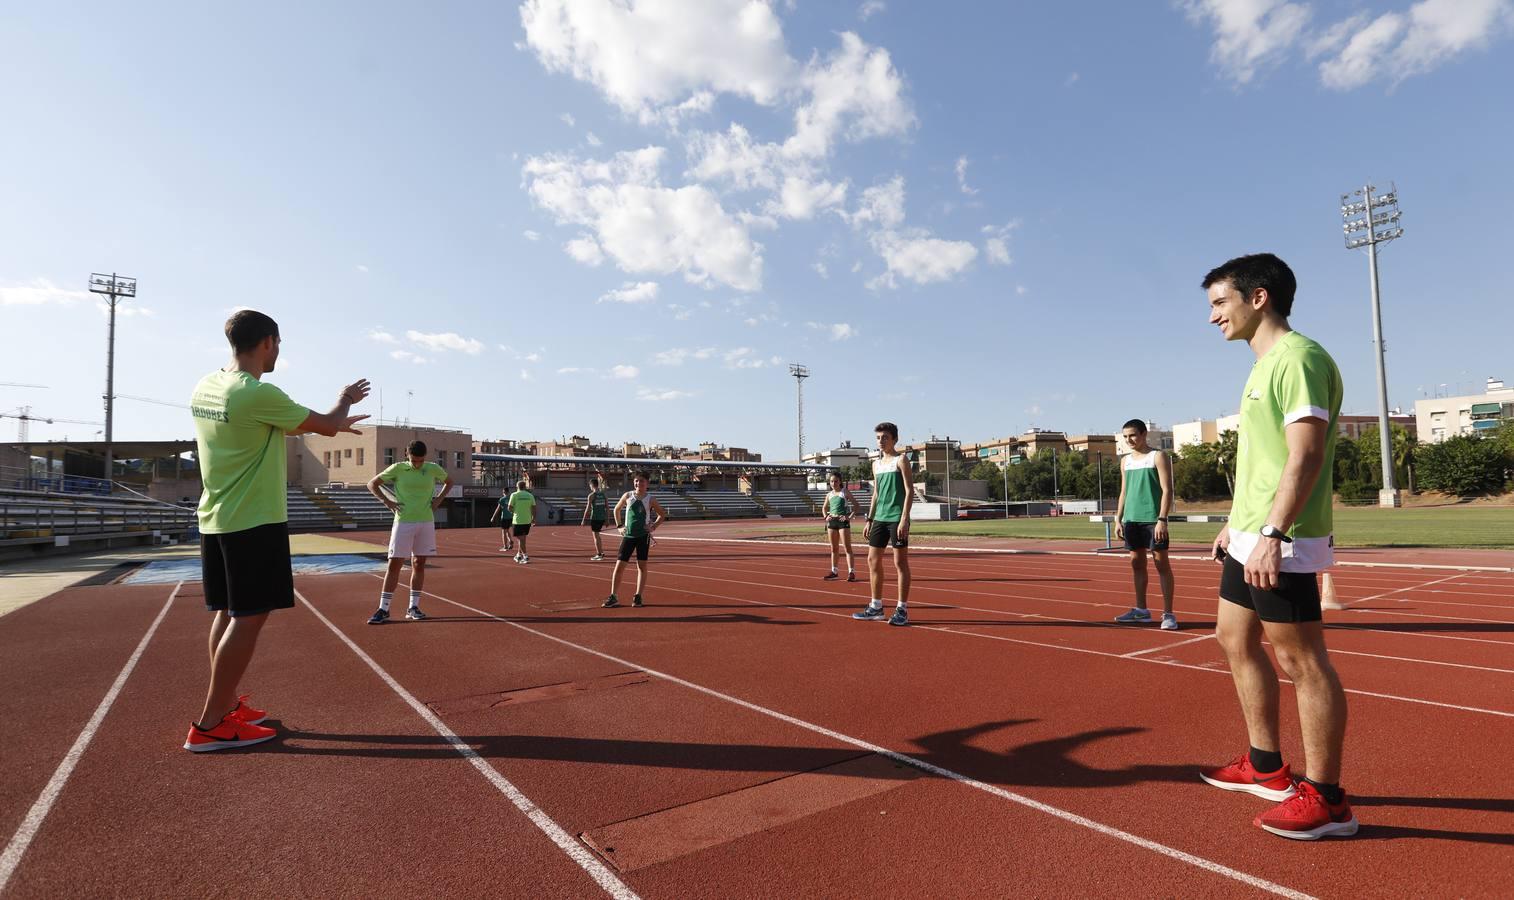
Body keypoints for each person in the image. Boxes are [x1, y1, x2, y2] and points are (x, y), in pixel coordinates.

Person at [1196, 253, 1355, 840]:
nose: (1213, 317)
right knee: (1232, 638)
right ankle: (1265, 767)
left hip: (1281, 540)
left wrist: (1271, 533)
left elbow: (1305, 455)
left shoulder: (1299, 358)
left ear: (1258, 297)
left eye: (1220, 303)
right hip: (1251, 532)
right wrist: (1237, 525)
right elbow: (1265, 461)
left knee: (1301, 661)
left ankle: (1329, 800)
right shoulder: (1261, 367)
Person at [185, 309, 368, 751]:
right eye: (278, 344)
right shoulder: (255, 394)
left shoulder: (206, 386)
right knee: (248, 618)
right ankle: (211, 724)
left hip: (217, 516)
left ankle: (224, 706)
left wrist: (334, 419)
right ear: (267, 341)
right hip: (253, 519)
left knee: (227, 612)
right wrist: (344, 400)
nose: (279, 352)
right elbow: (325, 425)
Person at [366, 440, 453, 624]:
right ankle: (383, 609)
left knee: (419, 563)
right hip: (403, 521)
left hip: (426, 521)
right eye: (414, 460)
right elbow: (372, 484)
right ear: (407, 455)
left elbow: (449, 482)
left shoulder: (432, 468)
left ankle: (413, 607)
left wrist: (439, 500)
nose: (417, 464)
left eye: (420, 461)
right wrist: (387, 502)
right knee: (394, 564)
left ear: (425, 458)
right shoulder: (398, 468)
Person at [1113, 419, 1178, 629]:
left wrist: (1162, 519)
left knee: (1162, 566)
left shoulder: (1158, 456)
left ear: (1143, 434)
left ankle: (1168, 614)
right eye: (1125, 436)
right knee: (1137, 565)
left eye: (1132, 435)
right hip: (1131, 520)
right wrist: (1118, 518)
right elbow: (1124, 491)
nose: (1129, 440)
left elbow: (1167, 490)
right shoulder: (1125, 461)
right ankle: (1141, 610)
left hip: (1153, 520)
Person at [853, 422, 913, 626]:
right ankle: (876, 607)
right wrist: (869, 519)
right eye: (878, 438)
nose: (881, 441)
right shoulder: (876, 464)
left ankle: (902, 610)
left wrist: (904, 518)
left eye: (885, 437)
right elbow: (876, 494)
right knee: (872, 560)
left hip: (897, 518)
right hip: (879, 517)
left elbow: (909, 490)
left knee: (899, 563)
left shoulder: (901, 460)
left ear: (895, 439)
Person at [602, 472, 666, 609]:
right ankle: (613, 596)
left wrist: (653, 526)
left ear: (647, 483)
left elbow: (662, 514)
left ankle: (638, 596)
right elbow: (616, 509)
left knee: (641, 567)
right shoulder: (627, 496)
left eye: (641, 481)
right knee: (619, 566)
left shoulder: (650, 499)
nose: (638, 483)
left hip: (643, 537)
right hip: (628, 536)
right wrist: (619, 526)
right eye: (636, 481)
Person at [821, 471, 859, 581]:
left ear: (840, 481)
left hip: (842, 521)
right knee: (834, 548)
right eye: (832, 481)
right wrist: (825, 517)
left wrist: (849, 517)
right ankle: (834, 571)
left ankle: (851, 572)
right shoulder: (829, 495)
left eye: (836, 481)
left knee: (847, 548)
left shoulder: (845, 492)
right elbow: (824, 508)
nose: (834, 483)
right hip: (832, 521)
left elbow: (856, 505)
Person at [506, 479, 537, 563]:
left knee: (520, 539)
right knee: (523, 538)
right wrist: (533, 518)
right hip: (527, 520)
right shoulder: (530, 495)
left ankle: (525, 556)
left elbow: (509, 507)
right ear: (525, 487)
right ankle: (518, 554)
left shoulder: (514, 495)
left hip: (518, 520)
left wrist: (514, 511)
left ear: (517, 487)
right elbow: (534, 507)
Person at [581, 475, 610, 560]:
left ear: (592, 485)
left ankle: (599, 554)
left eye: (590, 486)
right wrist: (607, 519)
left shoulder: (591, 495)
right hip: (602, 518)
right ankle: (601, 552)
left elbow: (588, 508)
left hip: (595, 518)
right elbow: (607, 508)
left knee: (596, 536)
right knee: (598, 536)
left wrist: (583, 519)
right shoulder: (604, 494)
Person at [489, 485, 514, 553]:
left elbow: (498, 509)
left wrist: (493, 517)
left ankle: (505, 546)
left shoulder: (502, 499)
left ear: (503, 492)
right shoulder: (511, 498)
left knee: (503, 532)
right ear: (508, 492)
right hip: (510, 517)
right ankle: (510, 541)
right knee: (507, 530)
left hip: (505, 517)